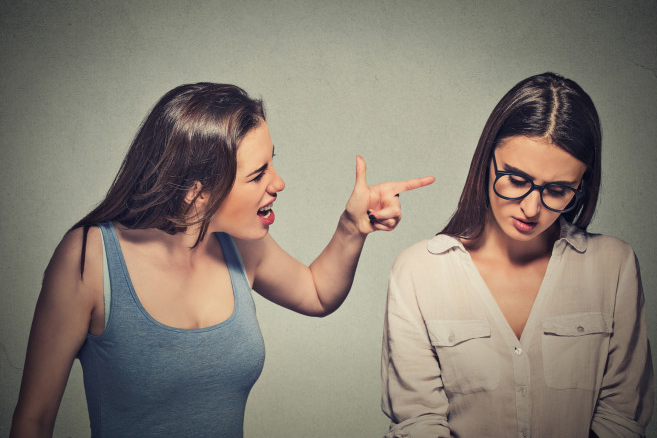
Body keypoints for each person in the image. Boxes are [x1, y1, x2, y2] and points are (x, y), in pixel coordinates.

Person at [10, 82, 434, 438]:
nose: (279, 183)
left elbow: (318, 294)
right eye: (258, 174)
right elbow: (34, 419)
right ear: (196, 192)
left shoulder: (238, 244)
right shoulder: (89, 257)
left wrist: (351, 227)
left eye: (272, 163)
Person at [381, 73, 653, 438]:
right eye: (516, 179)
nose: (531, 208)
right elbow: (417, 422)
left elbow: (621, 417)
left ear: (582, 185)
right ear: (487, 161)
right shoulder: (419, 271)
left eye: (557, 189)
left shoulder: (614, 266)